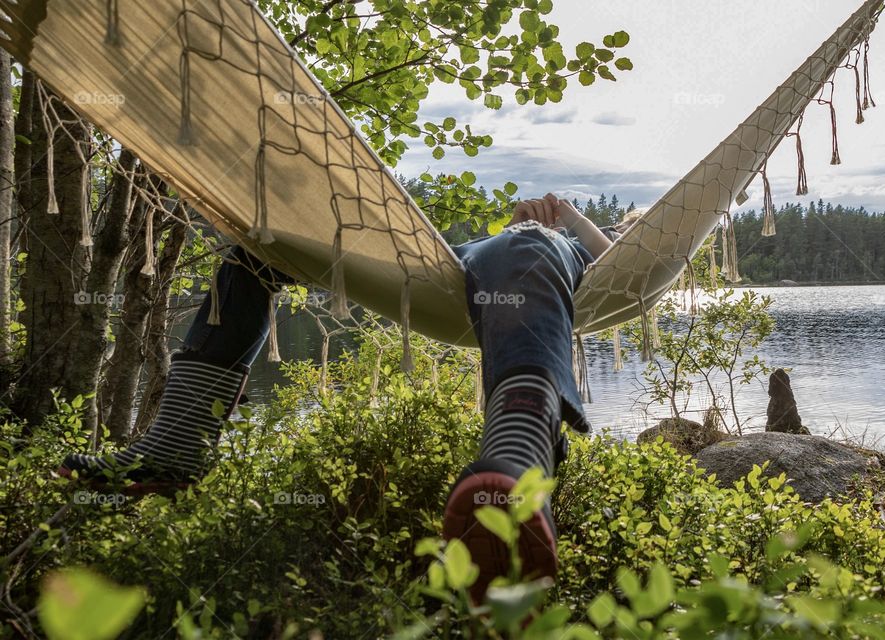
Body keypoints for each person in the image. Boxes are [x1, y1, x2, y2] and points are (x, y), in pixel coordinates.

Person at [59, 193, 623, 598]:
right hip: (467, 260)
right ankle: (174, 446)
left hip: (535, 260)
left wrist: (565, 217)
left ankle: (519, 458)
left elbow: (622, 264)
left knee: (523, 252)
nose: (626, 222)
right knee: (257, 251)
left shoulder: (586, 245)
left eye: (631, 221)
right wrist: (516, 222)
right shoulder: (511, 245)